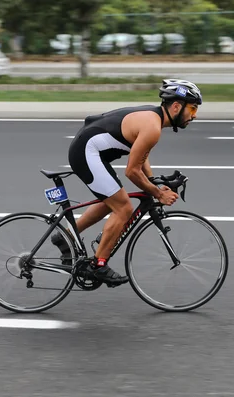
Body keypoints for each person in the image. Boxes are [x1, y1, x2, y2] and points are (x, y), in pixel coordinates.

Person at [52, 79, 203, 287]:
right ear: (176, 106)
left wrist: (152, 184)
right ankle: (98, 265)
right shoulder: (153, 127)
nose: (194, 116)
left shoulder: (154, 119)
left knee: (113, 200)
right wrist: (159, 194)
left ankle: (66, 236)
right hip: (86, 152)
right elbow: (132, 171)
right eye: (193, 109)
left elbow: (141, 157)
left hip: (89, 150)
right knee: (123, 208)